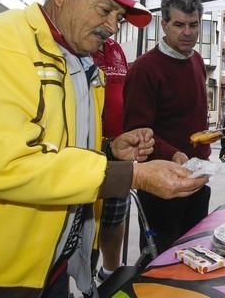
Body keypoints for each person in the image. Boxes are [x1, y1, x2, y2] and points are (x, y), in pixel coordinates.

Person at [0, 0, 209, 298]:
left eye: (119, 16)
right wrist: (132, 175)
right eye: (105, 10)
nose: (112, 26)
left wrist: (110, 149)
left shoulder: (80, 63)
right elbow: (5, 165)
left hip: (50, 267)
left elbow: (58, 151)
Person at [123, 0, 211, 254]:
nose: (187, 32)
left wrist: (206, 148)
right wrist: (172, 153)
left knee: (195, 254)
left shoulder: (196, 60)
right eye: (179, 24)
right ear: (163, 24)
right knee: (160, 260)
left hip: (197, 178)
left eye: (193, 25)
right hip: (160, 186)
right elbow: (135, 131)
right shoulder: (144, 69)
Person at [92, 37, 130, 282]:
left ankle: (109, 272)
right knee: (84, 218)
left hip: (118, 146)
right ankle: (82, 275)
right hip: (86, 145)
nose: (113, 23)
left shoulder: (115, 48)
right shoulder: (75, 44)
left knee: (115, 214)